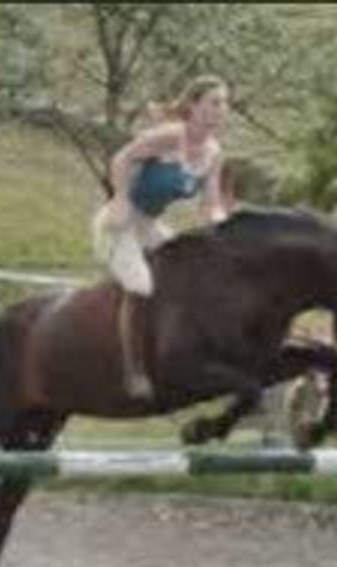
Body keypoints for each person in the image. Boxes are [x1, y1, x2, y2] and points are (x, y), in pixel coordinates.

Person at [92, 74, 233, 399]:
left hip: (148, 225)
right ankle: (134, 371)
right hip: (119, 223)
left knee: (191, 271)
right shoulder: (170, 136)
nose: (221, 110)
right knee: (141, 284)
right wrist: (120, 199)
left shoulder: (214, 154)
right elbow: (122, 158)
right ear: (193, 106)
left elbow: (211, 205)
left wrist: (226, 228)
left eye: (225, 104)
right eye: (214, 102)